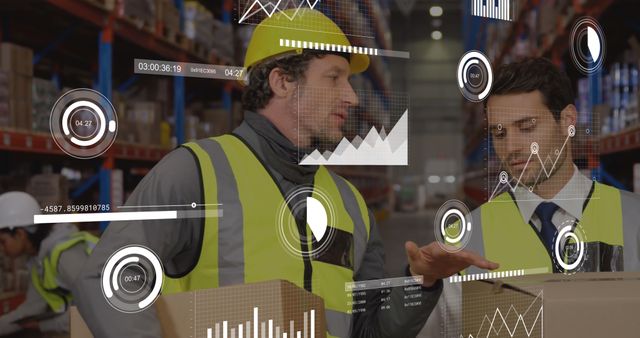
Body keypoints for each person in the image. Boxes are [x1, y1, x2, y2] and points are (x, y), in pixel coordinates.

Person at [73, 8, 497, 338]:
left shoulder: (351, 204)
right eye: (334, 78)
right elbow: (106, 280)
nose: (350, 97)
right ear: (281, 82)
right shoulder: (197, 174)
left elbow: (368, 328)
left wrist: (419, 283)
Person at [419, 57, 640, 337]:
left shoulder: (634, 219)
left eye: (527, 127)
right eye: (499, 133)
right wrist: (422, 285)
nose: (511, 147)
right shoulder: (463, 239)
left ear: (568, 121)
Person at [0, 191, 97, 336]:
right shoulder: (38, 262)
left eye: (2, 241)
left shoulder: (65, 255)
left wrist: (45, 326)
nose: (1, 249)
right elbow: (30, 309)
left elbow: (95, 307)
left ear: (20, 234)